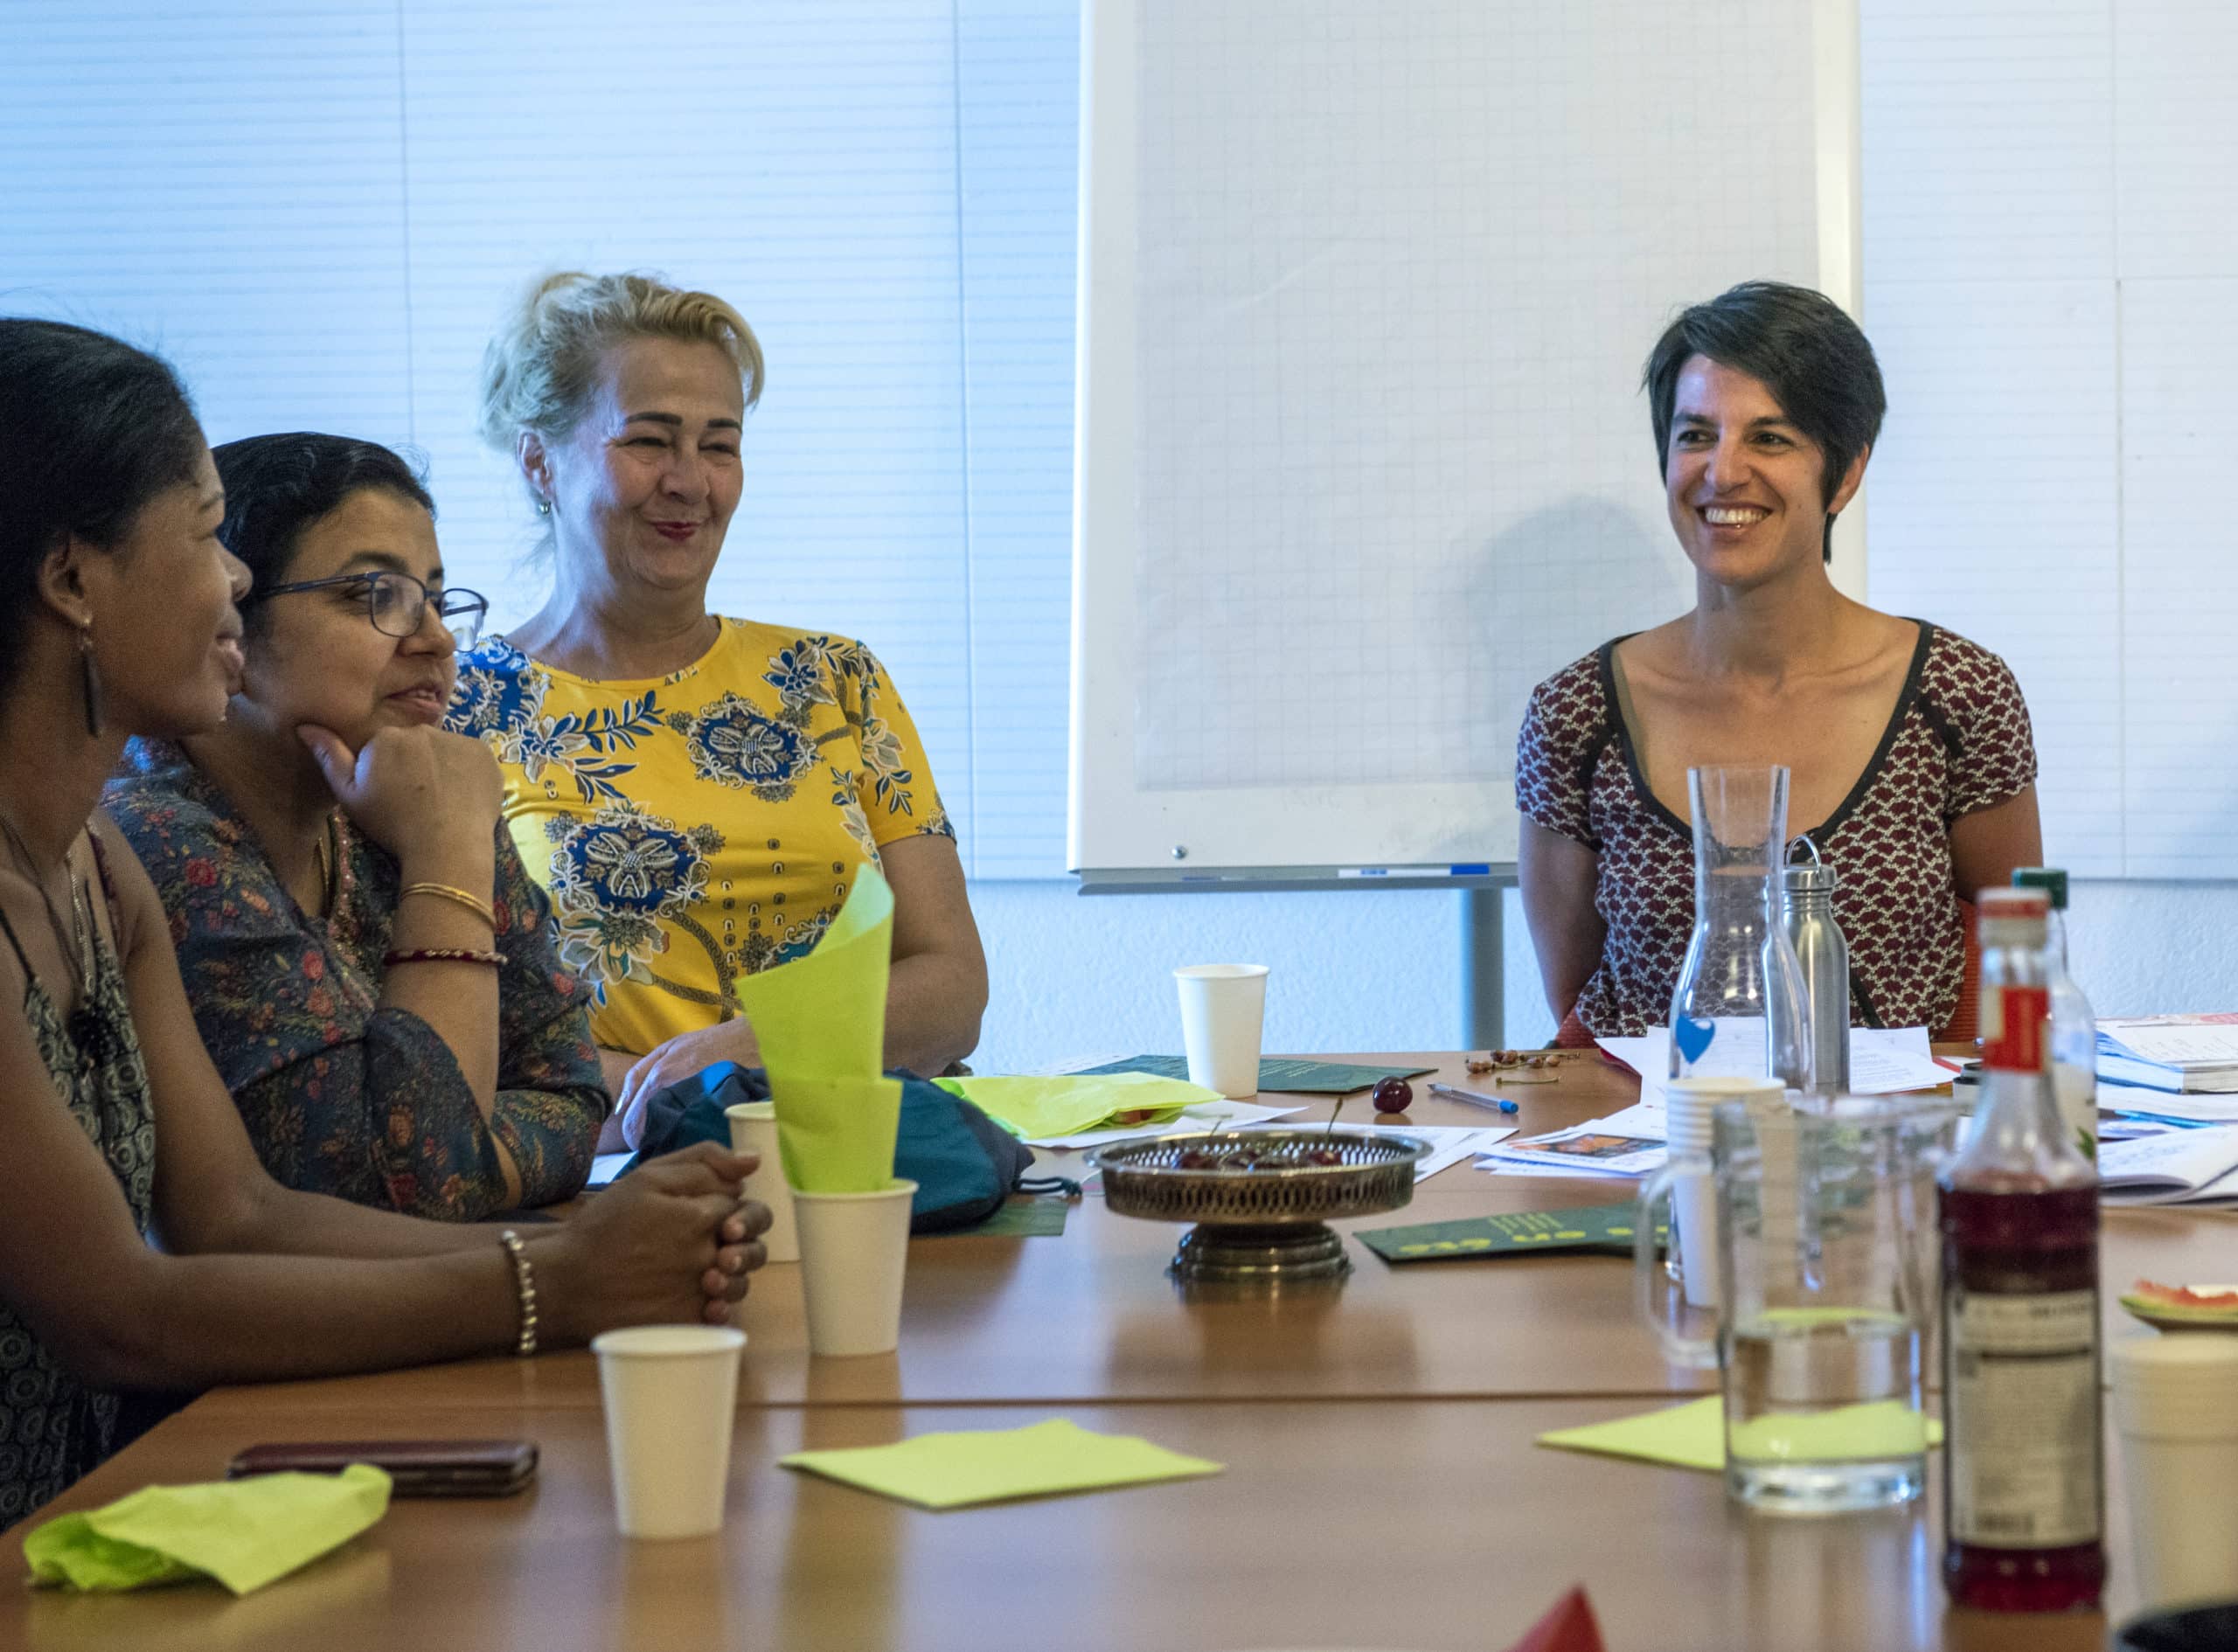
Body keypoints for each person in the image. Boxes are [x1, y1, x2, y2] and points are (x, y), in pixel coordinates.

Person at [0, 317, 767, 1522]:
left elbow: (242, 1215)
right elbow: (120, 1311)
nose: (234, 580)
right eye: (205, 535)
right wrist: (558, 1284)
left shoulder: (97, 876)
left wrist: (587, 1255)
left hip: (105, 1515)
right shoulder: (153, 842)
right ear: (69, 580)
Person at [449, 272, 988, 1145]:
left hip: (873, 1159)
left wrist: (749, 1053)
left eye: (720, 445)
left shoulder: (835, 680)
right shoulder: (459, 712)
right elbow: (458, 1036)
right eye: (648, 441)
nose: (690, 481)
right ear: (539, 460)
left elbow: (954, 990)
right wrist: (682, 1108)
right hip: (616, 1171)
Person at [1516, 281, 2042, 1042]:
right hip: (1654, 1117)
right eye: (1696, 435)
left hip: (1895, 1116)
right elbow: (1577, 1021)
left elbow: (2018, 968)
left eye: (1769, 438)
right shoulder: (1577, 713)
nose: (1723, 472)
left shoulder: (1960, 692)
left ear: (1847, 472)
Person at [106, 434, 606, 1219]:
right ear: (229, 619)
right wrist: (445, 853)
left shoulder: (418, 785)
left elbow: (571, 1089)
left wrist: (467, 1162)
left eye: (435, 598)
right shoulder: (152, 835)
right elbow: (418, 1185)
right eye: (376, 594)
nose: (437, 639)